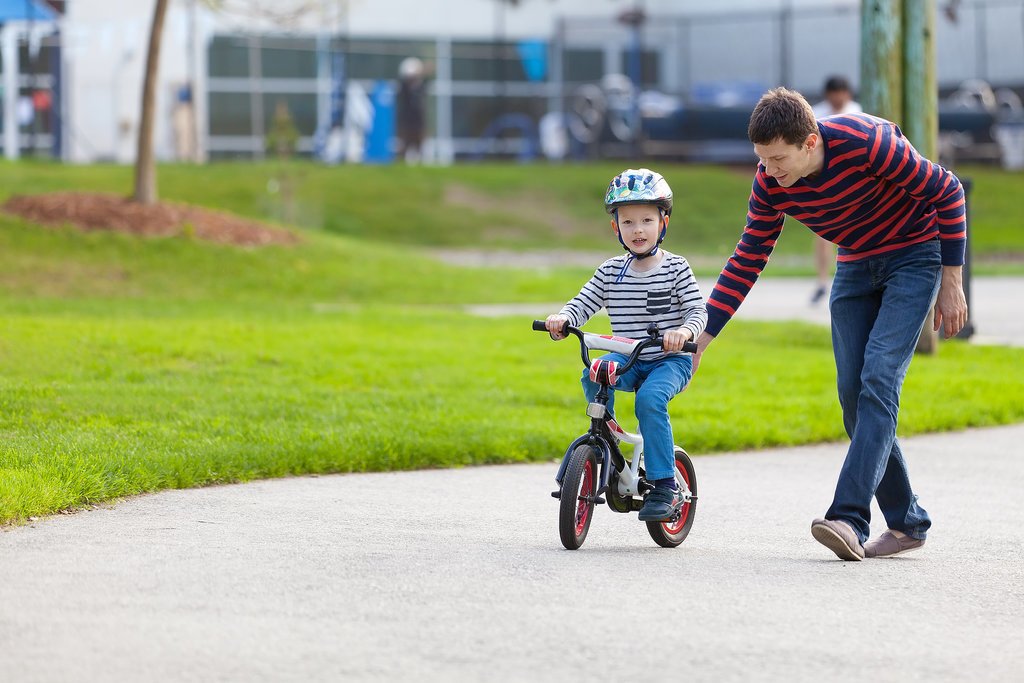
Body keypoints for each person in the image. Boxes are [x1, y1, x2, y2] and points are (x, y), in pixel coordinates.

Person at [694, 88, 967, 560]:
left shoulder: (867, 143)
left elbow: (947, 188)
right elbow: (748, 258)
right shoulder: (769, 183)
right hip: (857, 264)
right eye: (763, 160)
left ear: (810, 142)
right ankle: (907, 523)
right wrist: (704, 336)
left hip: (914, 255)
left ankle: (849, 517)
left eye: (778, 159)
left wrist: (951, 279)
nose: (770, 171)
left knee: (879, 378)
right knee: (851, 394)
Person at [545, 169, 708, 522]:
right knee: (593, 373)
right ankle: (608, 440)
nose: (638, 229)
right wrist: (563, 319)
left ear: (663, 223)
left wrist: (684, 331)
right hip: (628, 357)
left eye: (647, 220)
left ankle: (665, 484)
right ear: (615, 228)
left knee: (651, 400)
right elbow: (583, 303)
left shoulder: (676, 268)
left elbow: (698, 310)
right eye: (628, 221)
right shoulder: (610, 271)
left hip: (669, 360)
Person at [810, 76, 863, 303]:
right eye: (834, 93)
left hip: (851, 181)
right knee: (823, 235)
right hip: (823, 184)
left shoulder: (856, 112)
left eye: (842, 93)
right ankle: (823, 281)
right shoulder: (815, 113)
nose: (838, 98)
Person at [396, 57, 427, 163]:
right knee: (404, 145)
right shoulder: (403, 88)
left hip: (418, 121)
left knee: (419, 145)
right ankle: (401, 162)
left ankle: (420, 162)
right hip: (406, 122)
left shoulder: (421, 87)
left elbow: (426, 81)